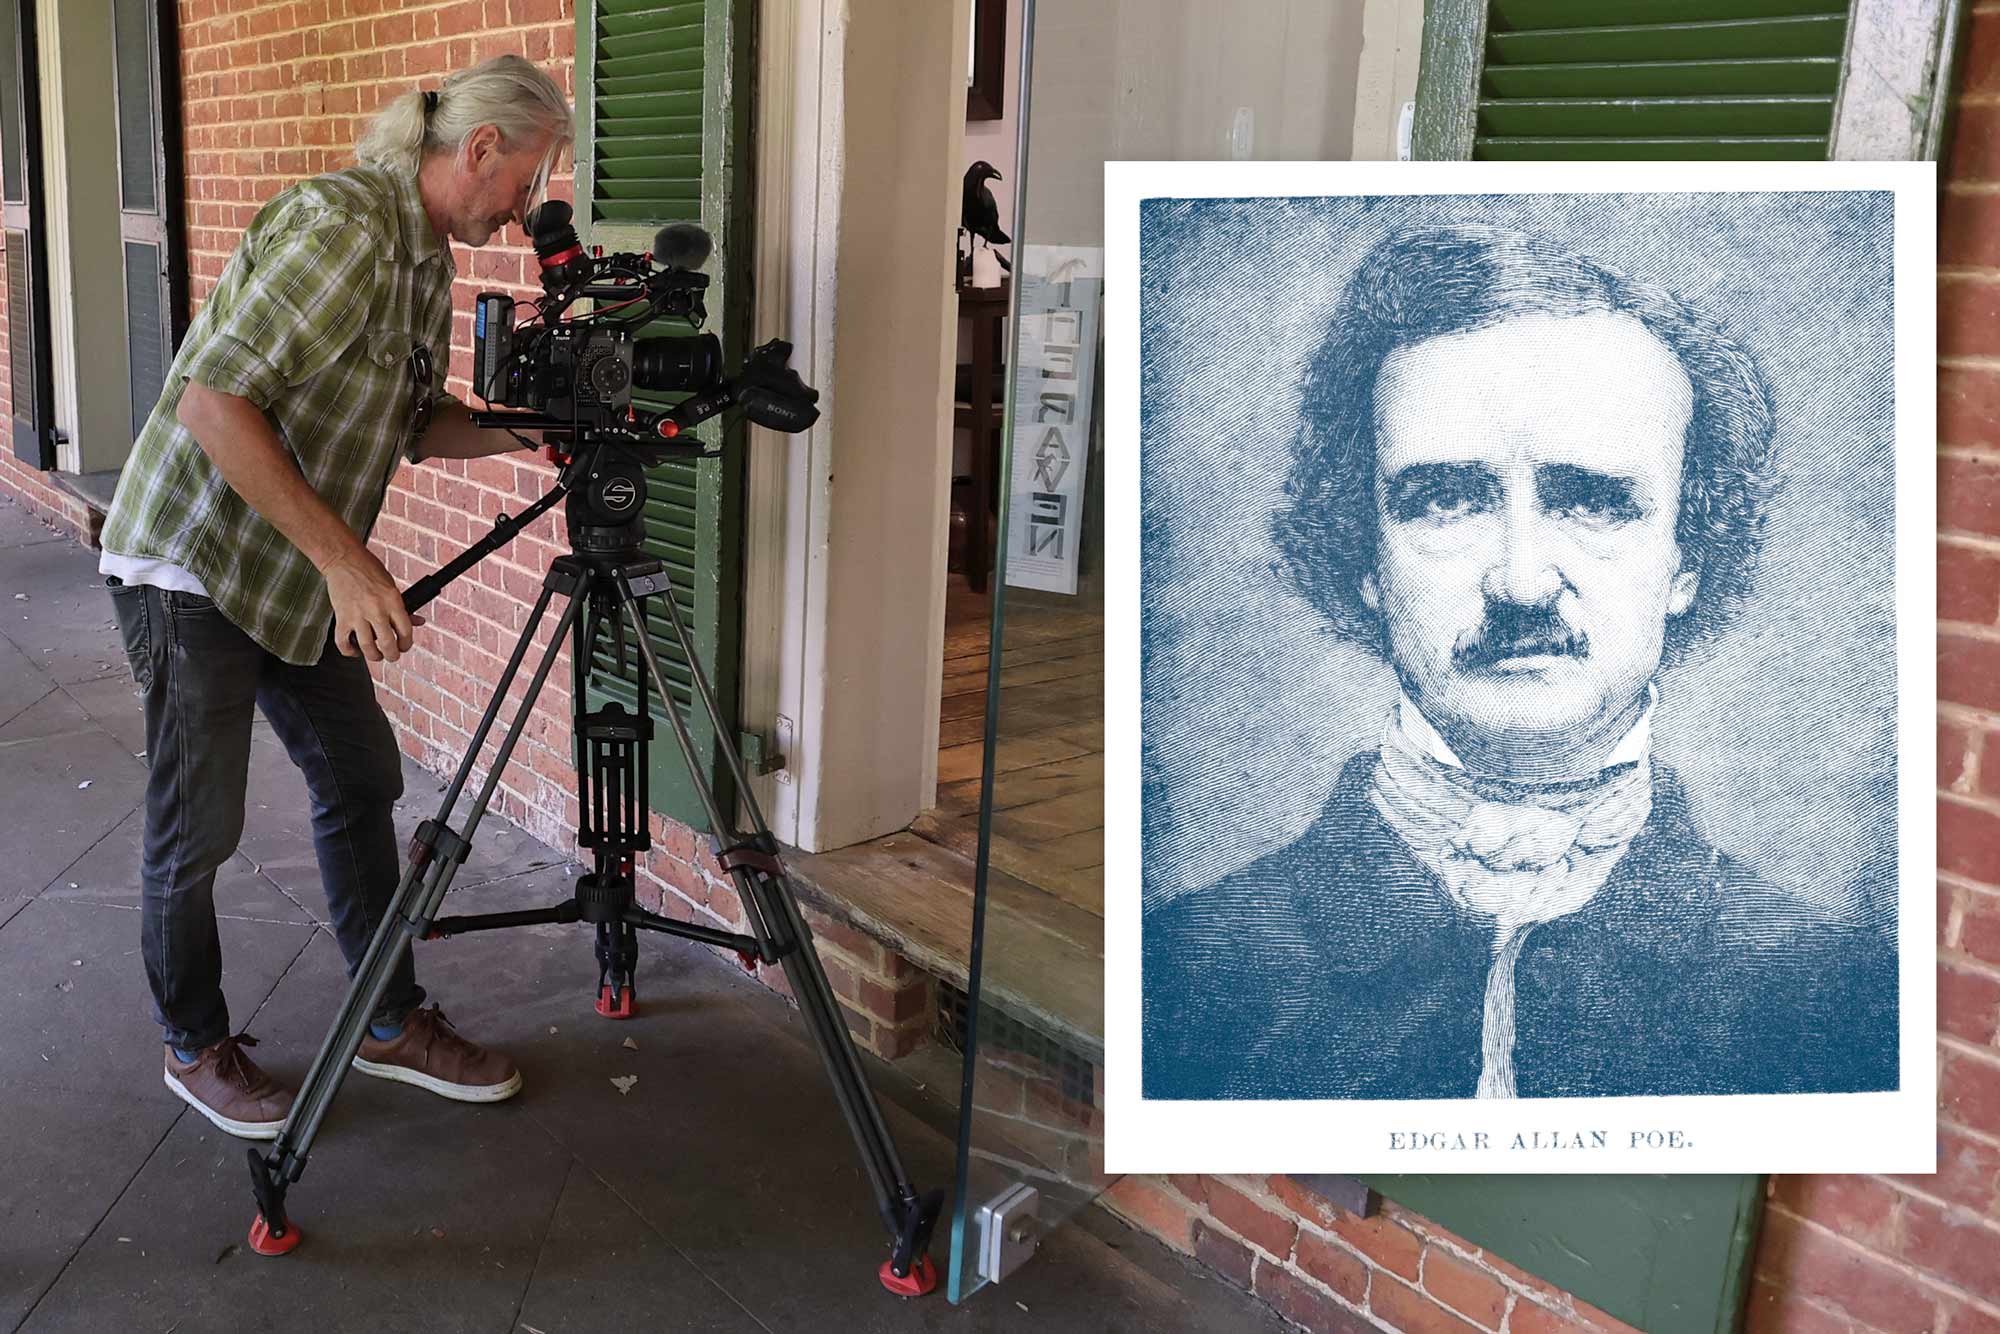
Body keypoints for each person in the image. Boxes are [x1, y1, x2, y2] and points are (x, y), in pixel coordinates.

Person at [1142, 225, 1898, 1101]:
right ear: (1365, 557)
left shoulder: (1831, 992)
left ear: (1685, 560)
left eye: (1594, 502)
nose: (1522, 579)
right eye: (1447, 500)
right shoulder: (1188, 969)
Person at [99, 55, 572, 1139]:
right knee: (197, 829)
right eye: (527, 178)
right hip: (195, 562)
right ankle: (192, 1043)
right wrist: (346, 563)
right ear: (481, 148)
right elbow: (215, 405)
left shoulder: (423, 264)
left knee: (360, 776)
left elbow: (416, 423)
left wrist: (527, 430)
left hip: (287, 569)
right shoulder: (346, 226)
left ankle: (386, 1016)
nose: (526, 207)